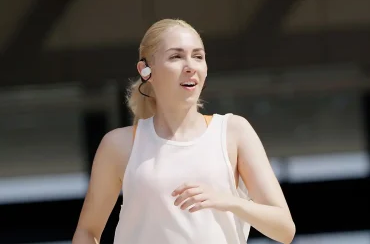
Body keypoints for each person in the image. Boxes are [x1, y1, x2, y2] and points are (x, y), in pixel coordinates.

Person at [72, 18, 296, 244]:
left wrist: (228, 200)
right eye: (176, 56)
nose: (190, 66)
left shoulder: (233, 131)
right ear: (146, 70)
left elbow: (285, 229)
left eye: (198, 56)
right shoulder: (118, 144)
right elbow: (87, 232)